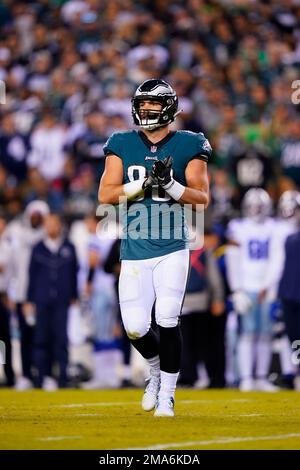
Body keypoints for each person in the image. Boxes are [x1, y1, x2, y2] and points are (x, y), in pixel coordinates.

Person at [98, 78, 211, 417]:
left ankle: (168, 396)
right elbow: (106, 195)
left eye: (153, 105)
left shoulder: (190, 143)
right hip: (133, 248)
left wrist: (170, 184)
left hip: (172, 245)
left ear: (170, 109)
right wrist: (145, 183)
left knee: (167, 318)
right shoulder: (121, 141)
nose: (146, 110)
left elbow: (202, 199)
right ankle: (155, 371)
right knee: (134, 326)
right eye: (142, 104)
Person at [226, 188, 279, 392]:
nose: (256, 210)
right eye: (253, 206)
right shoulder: (238, 227)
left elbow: (277, 259)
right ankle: (247, 377)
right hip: (247, 285)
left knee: (265, 334)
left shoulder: (274, 228)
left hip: (266, 287)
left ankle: (261, 377)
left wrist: (270, 285)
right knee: (247, 334)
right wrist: (236, 289)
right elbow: (233, 259)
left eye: (260, 206)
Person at [26, 213, 78, 390]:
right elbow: (31, 276)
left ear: (60, 225)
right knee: (41, 339)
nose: (51, 228)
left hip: (62, 301)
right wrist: (29, 299)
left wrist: (74, 296)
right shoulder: (38, 248)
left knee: (61, 340)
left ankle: (63, 379)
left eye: (54, 224)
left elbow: (74, 274)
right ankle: (41, 378)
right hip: (42, 300)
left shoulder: (69, 247)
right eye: (48, 224)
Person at [278, 194, 300, 391]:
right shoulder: (288, 237)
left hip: (291, 293)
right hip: (289, 294)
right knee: (294, 339)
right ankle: (297, 372)